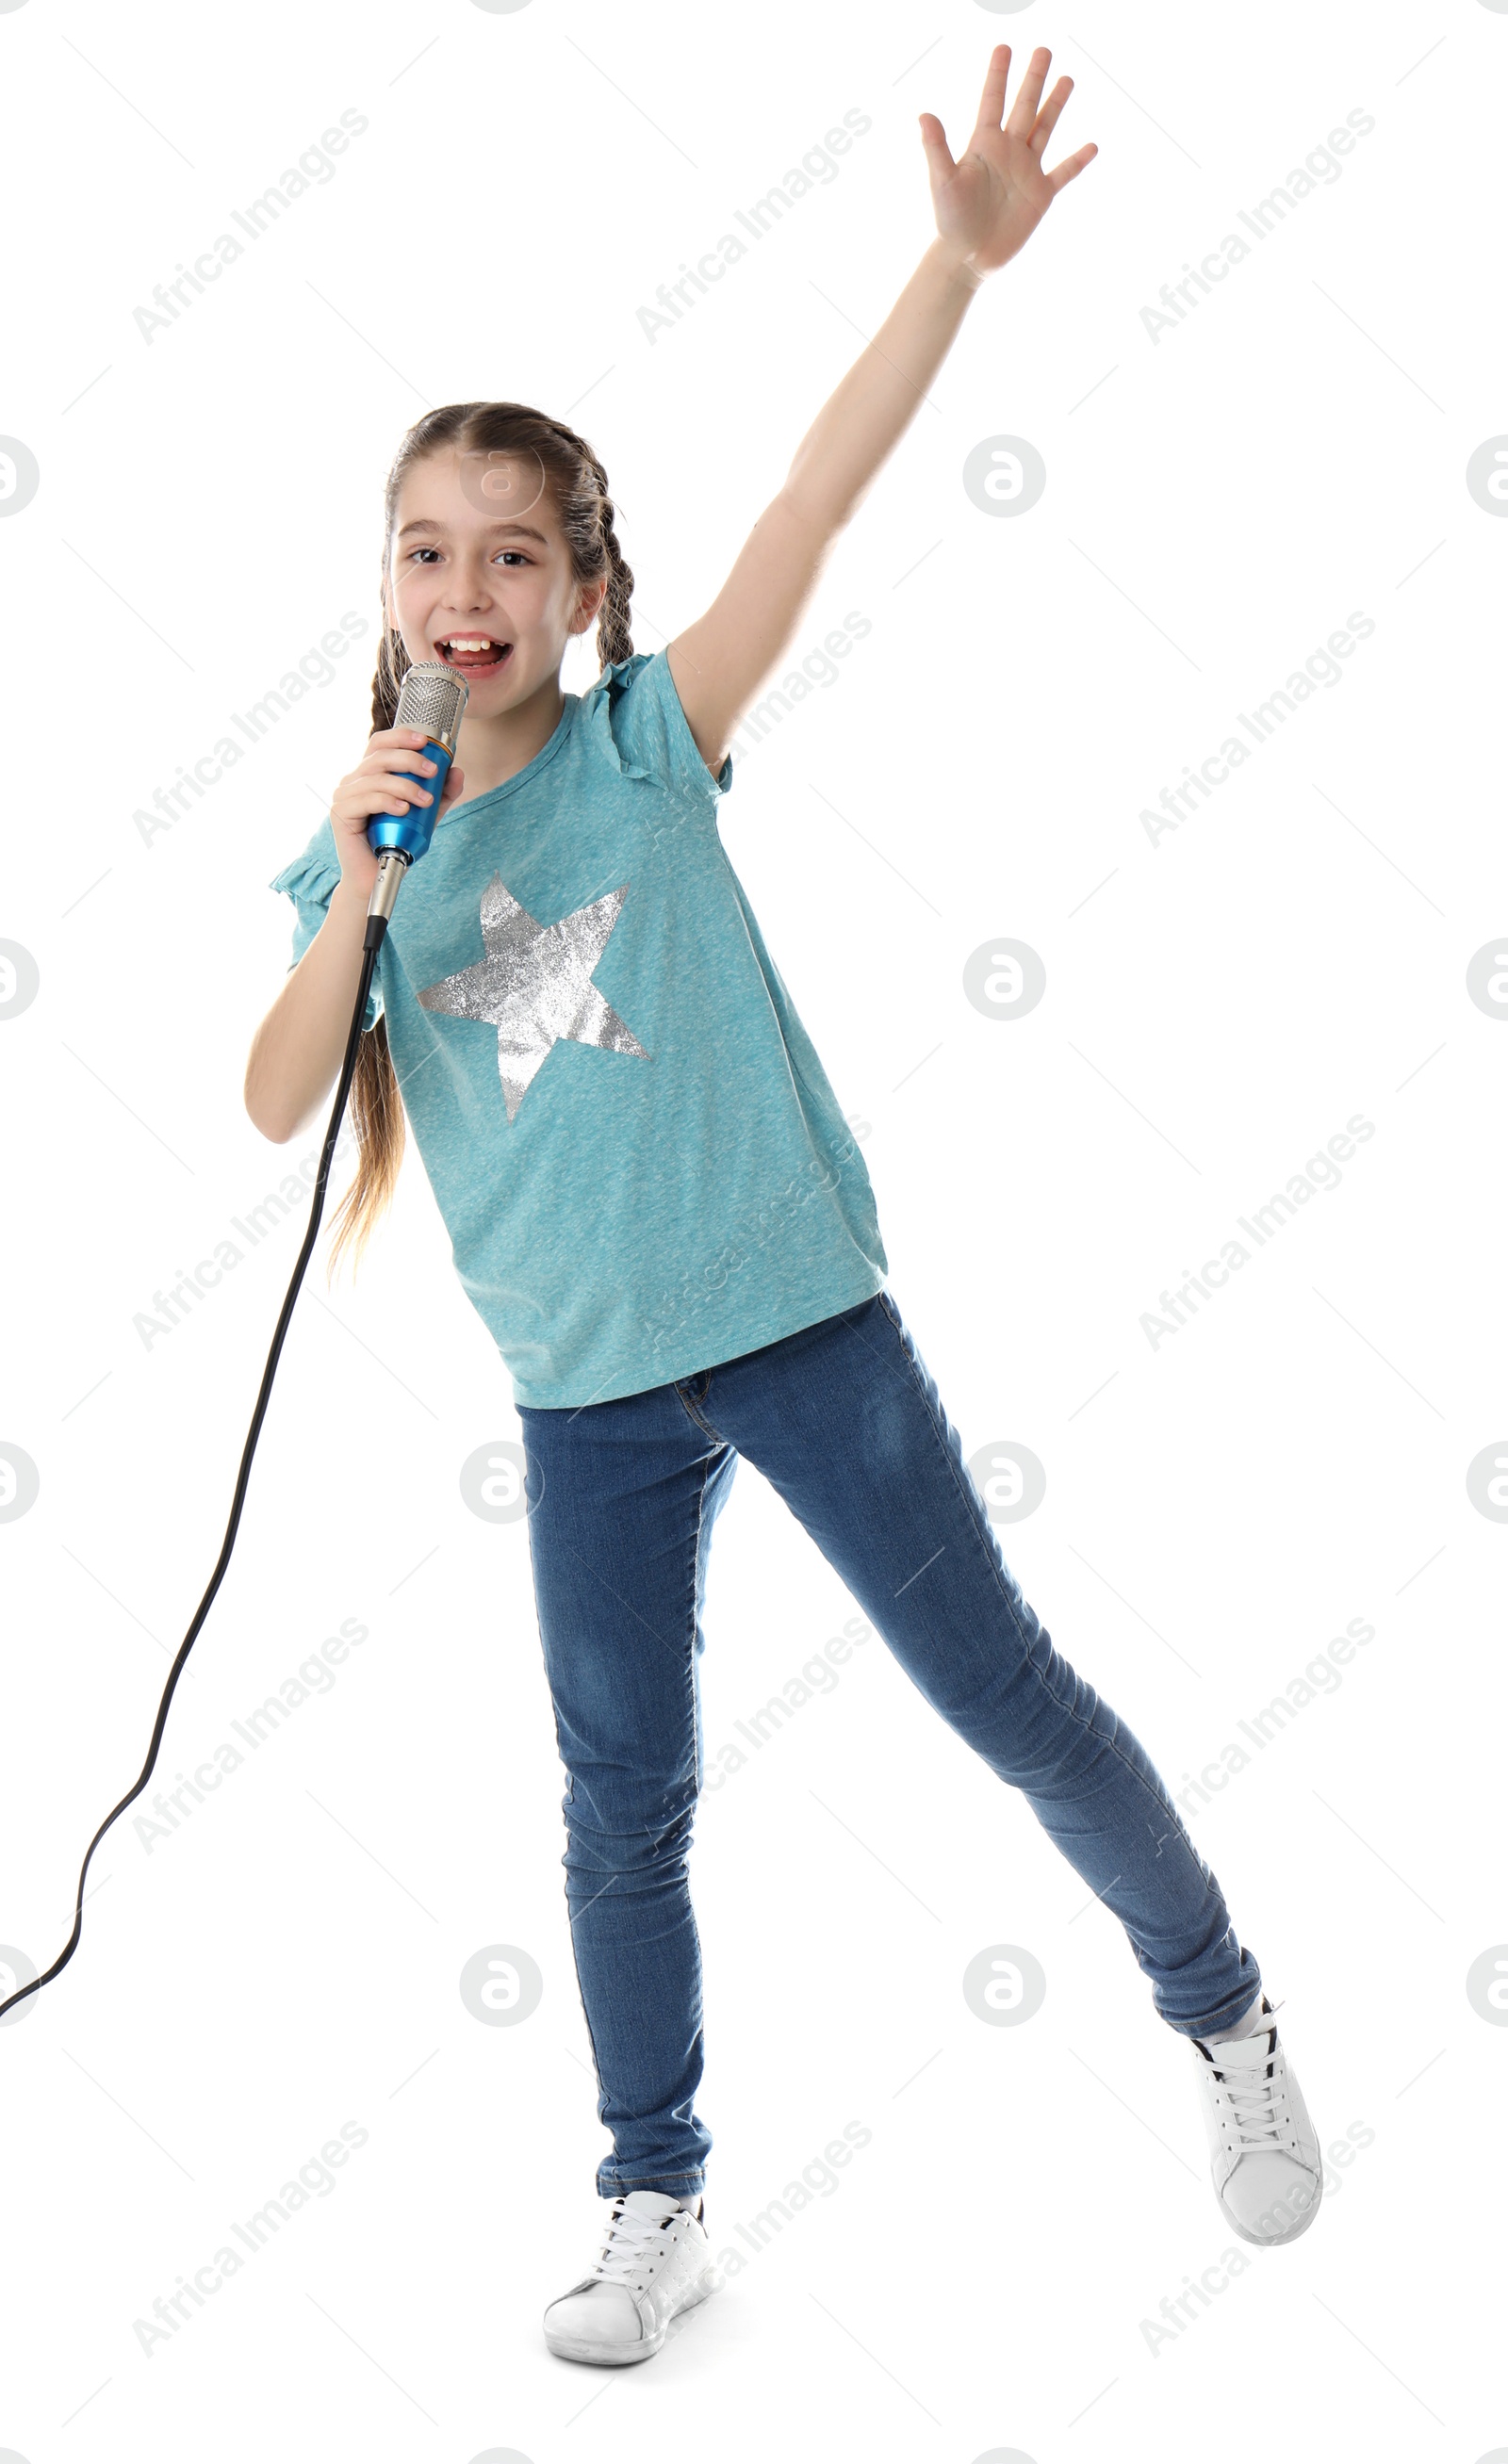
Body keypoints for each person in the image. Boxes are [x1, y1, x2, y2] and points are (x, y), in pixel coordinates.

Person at [245, 43, 1320, 2372]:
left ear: (580, 582)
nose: (466, 588)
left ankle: (1222, 2009)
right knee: (616, 1805)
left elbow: (814, 508)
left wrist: (949, 267)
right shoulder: (374, 845)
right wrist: (349, 888)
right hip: (584, 1403)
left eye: (512, 552)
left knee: (1002, 1699)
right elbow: (271, 1100)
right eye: (426, 551)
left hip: (796, 1324)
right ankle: (655, 2198)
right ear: (390, 585)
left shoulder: (649, 744)